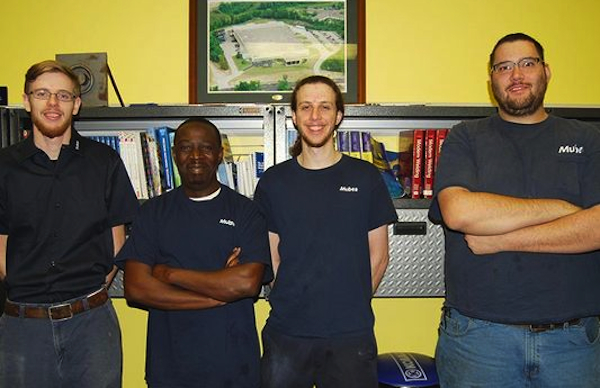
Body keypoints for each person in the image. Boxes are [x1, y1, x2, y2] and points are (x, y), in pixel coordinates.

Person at [429, 32, 600, 387]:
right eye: (504, 67)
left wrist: (498, 240)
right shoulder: (465, 138)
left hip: (573, 344)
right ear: (491, 79)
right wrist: (563, 210)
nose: (516, 74)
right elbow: (459, 213)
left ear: (546, 71)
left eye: (527, 63)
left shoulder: (588, 139)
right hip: (477, 342)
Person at [0, 60, 139, 387]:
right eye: (42, 94)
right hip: (22, 326)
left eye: (63, 96)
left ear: (76, 104)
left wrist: (87, 296)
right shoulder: (4, 167)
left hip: (91, 324)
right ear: (26, 100)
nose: (52, 104)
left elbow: (116, 242)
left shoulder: (104, 162)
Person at [254, 75, 398, 388]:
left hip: (350, 335)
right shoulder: (273, 183)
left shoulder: (366, 178)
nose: (315, 117)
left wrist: (348, 305)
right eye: (306, 107)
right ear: (293, 116)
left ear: (338, 116)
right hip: (287, 334)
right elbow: (274, 257)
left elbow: (380, 257)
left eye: (324, 107)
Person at [117, 117, 271, 388]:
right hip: (170, 368)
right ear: (174, 154)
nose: (196, 156)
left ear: (220, 154)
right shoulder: (152, 213)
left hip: (235, 367)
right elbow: (137, 288)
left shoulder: (246, 211)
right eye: (186, 147)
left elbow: (246, 283)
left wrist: (168, 273)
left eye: (206, 148)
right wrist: (217, 294)